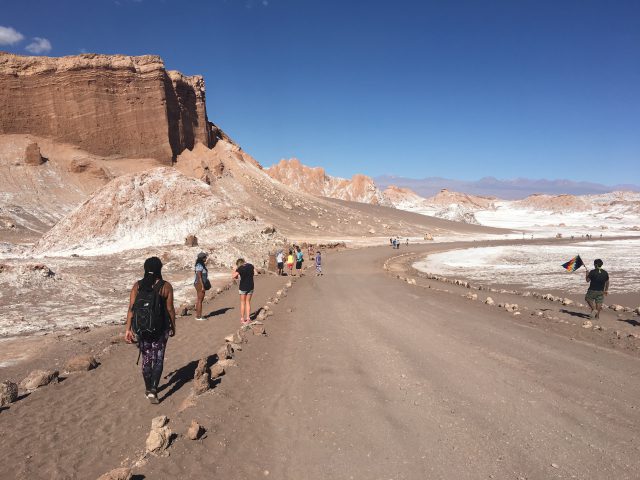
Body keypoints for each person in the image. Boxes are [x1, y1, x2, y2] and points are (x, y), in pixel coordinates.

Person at [125, 257, 176, 404]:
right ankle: (154, 389)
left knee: (146, 359)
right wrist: (173, 327)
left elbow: (131, 309)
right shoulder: (166, 286)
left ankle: (148, 389)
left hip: (141, 329)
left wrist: (128, 329)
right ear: (160, 269)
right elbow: (170, 309)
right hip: (161, 329)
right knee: (158, 358)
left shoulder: (137, 286)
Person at [232, 258, 254, 325]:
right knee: (248, 302)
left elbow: (234, 276)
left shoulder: (240, 268)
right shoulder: (250, 266)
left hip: (243, 287)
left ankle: (242, 318)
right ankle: (248, 318)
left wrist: (234, 269)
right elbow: (255, 273)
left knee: (242, 303)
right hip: (250, 286)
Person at [193, 252, 208, 321]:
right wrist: (202, 286)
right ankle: (199, 317)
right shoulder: (199, 265)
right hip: (199, 284)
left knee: (199, 300)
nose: (206, 258)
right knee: (200, 300)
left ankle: (198, 315)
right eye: (205, 257)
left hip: (199, 283)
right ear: (202, 258)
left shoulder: (200, 264)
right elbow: (199, 276)